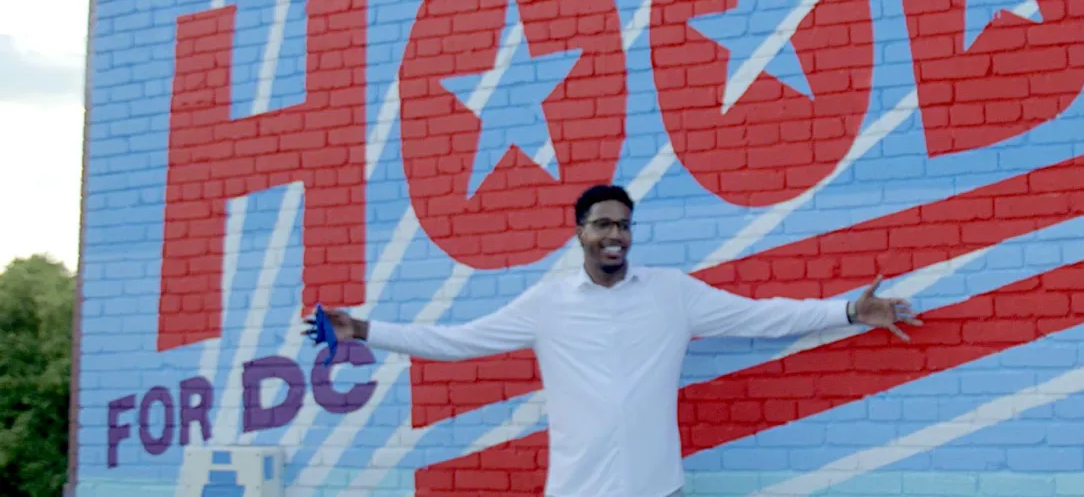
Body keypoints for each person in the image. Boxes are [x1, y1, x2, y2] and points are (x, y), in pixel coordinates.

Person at [307, 184, 922, 497]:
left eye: (624, 226)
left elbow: (762, 318)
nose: (615, 236)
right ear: (580, 232)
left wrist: (846, 311)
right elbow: (459, 341)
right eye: (603, 224)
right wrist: (363, 329)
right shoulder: (547, 303)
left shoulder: (671, 293)